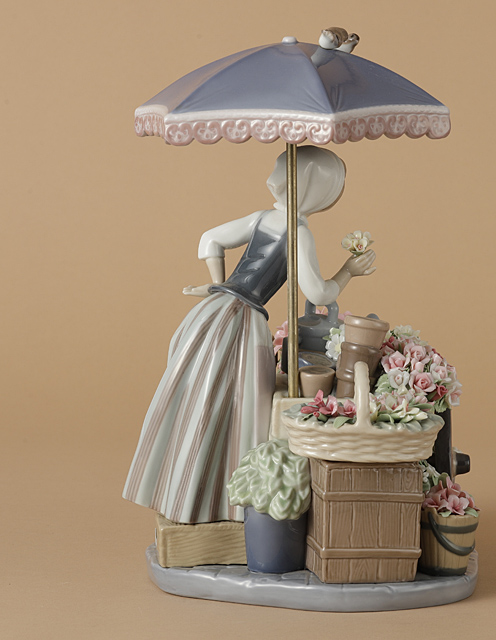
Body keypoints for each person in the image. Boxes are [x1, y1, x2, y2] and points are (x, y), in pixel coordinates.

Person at [123, 146, 376, 524]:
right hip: (244, 321)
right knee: (245, 406)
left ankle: (183, 486)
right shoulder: (299, 234)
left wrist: (220, 285)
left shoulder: (261, 219)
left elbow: (210, 239)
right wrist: (349, 271)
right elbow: (320, 294)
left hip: (214, 310)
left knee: (197, 394)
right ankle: (228, 500)